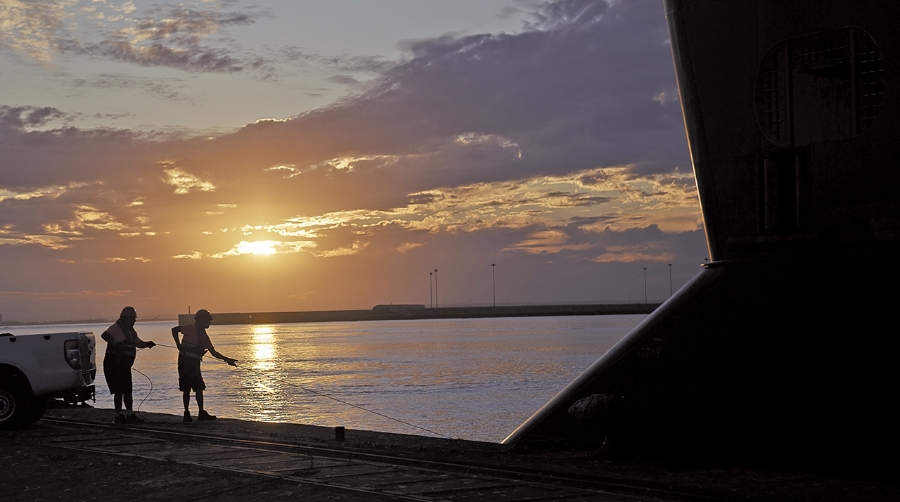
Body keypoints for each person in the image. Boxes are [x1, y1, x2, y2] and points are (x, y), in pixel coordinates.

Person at [171, 309, 237, 423]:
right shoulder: (190, 328)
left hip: (195, 364)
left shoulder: (204, 336)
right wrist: (178, 344)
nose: (209, 323)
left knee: (199, 388)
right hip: (185, 361)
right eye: (208, 320)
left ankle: (201, 412)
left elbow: (214, 353)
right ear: (201, 320)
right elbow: (174, 330)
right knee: (186, 389)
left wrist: (227, 360)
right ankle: (186, 413)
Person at [101, 306, 155, 424]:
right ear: (125, 318)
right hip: (115, 364)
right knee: (119, 391)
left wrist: (147, 344)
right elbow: (105, 335)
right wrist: (114, 342)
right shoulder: (116, 327)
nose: (135, 321)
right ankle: (118, 415)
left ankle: (129, 414)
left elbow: (138, 343)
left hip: (124, 365)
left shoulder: (131, 332)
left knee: (127, 390)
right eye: (133, 319)